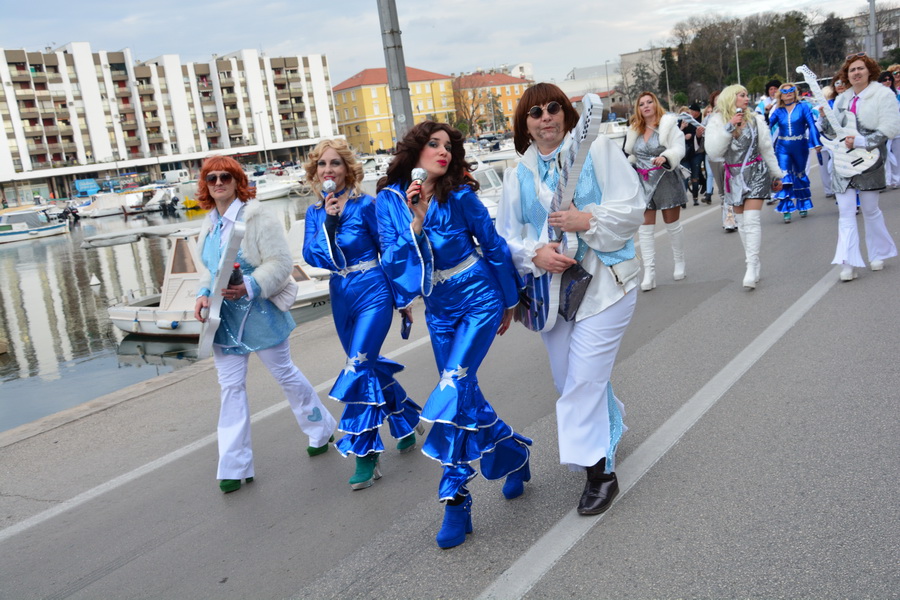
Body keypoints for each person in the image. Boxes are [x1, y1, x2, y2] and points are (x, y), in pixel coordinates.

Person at [375, 121, 531, 549]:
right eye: (433, 144)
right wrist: (417, 224)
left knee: (452, 386)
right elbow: (395, 263)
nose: (443, 151)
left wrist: (509, 298)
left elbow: (494, 245)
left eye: (449, 146)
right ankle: (513, 452)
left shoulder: (460, 195)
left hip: (479, 297)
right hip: (439, 309)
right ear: (415, 151)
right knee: (463, 393)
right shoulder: (391, 202)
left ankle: (455, 501)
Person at [496, 83, 644, 518]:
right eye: (536, 112)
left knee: (581, 383)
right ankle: (609, 421)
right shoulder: (517, 175)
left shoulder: (597, 152)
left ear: (566, 114)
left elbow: (633, 207)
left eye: (554, 108)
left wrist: (588, 219)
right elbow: (506, 236)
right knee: (570, 381)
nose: (546, 117)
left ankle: (600, 475)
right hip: (552, 296)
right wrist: (533, 253)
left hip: (606, 287)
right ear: (525, 124)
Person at [193, 155, 337, 494]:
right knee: (230, 390)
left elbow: (281, 262)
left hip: (259, 314)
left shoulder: (258, 218)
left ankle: (320, 428)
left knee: (285, 374)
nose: (218, 183)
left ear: (237, 180)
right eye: (211, 178)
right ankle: (233, 465)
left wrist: (250, 285)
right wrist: (202, 293)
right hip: (223, 321)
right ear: (205, 185)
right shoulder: (209, 223)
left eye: (225, 177)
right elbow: (207, 268)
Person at [301, 139, 422, 491]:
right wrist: (329, 220)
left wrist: (403, 297)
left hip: (373, 288)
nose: (328, 170)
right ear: (315, 173)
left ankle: (366, 452)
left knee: (356, 367)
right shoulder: (314, 214)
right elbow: (312, 256)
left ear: (348, 170)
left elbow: (391, 250)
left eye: (335, 163)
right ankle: (407, 418)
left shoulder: (367, 205)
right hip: (341, 294)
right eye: (322, 165)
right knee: (367, 367)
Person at [820, 52, 900, 281]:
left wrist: (862, 142)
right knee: (845, 212)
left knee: (870, 210)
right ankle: (847, 263)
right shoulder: (843, 99)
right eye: (852, 70)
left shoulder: (883, 95)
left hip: (870, 161)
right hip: (843, 163)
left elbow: (889, 129)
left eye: (860, 69)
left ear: (869, 71)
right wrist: (825, 117)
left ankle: (879, 253)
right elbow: (832, 131)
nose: (856, 73)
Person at [706, 85, 784, 289]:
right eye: (742, 95)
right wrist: (729, 127)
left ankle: (750, 265)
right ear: (731, 98)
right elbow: (714, 152)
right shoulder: (716, 122)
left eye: (747, 95)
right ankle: (754, 262)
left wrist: (776, 174)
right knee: (741, 222)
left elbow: (766, 148)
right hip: (734, 177)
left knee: (751, 220)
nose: (746, 98)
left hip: (756, 171)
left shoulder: (756, 119)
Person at [624, 91, 687, 290]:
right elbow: (632, 155)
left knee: (672, 224)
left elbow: (679, 148)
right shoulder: (635, 129)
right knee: (645, 229)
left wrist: (666, 157)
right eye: (642, 104)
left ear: (655, 104)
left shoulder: (668, 125)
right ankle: (649, 272)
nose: (646, 106)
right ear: (638, 109)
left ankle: (679, 261)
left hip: (665, 178)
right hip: (642, 182)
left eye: (649, 102)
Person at [768, 83, 822, 223]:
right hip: (783, 147)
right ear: (780, 95)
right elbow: (767, 126)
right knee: (784, 176)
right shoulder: (778, 111)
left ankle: (803, 203)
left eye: (791, 90)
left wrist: (816, 142)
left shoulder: (803, 107)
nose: (788, 93)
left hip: (800, 146)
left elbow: (811, 124)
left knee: (799, 174)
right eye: (785, 91)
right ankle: (786, 208)